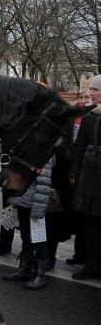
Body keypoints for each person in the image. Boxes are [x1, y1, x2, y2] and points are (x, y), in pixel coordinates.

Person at [2, 156, 54, 289]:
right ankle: (24, 268)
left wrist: (38, 208)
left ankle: (40, 275)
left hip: (35, 203)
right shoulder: (29, 148)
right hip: (22, 199)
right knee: (25, 236)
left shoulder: (44, 152)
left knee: (39, 239)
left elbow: (43, 183)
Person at [69, 74, 101, 280]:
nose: (91, 93)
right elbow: (79, 147)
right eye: (91, 89)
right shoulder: (89, 116)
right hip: (89, 176)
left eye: (95, 90)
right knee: (90, 222)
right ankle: (90, 263)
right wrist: (74, 172)